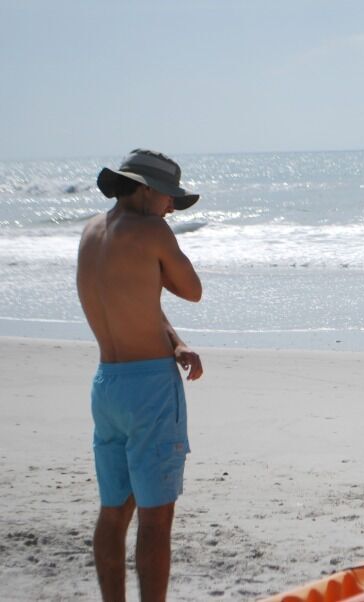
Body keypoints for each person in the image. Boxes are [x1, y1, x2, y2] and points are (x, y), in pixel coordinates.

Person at [77, 149, 204, 602]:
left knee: (114, 512)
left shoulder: (92, 231)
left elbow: (134, 304)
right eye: (169, 196)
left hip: (108, 385)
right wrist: (162, 249)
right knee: (156, 517)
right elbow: (192, 290)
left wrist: (177, 342)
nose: (171, 206)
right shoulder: (152, 229)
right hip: (150, 389)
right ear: (145, 189)